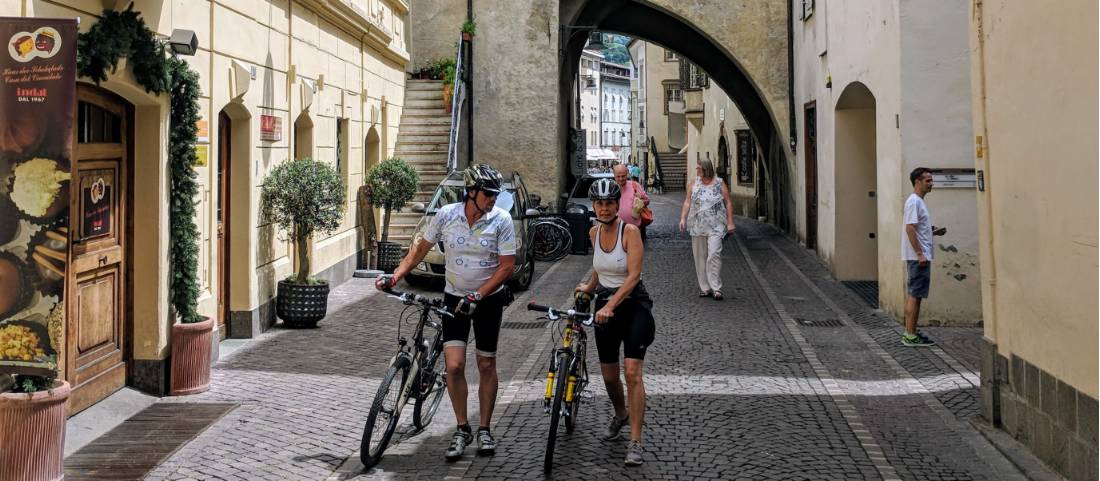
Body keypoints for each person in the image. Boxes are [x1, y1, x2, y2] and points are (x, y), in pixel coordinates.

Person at [375, 164, 516, 460]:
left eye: (495, 193)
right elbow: (419, 250)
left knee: (486, 364)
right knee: (454, 366)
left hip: (487, 300)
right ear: (471, 192)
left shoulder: (501, 219)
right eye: (488, 193)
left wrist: (480, 293)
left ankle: (485, 429)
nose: (493, 198)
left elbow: (506, 267)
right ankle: (462, 427)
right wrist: (394, 276)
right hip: (454, 298)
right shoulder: (446, 215)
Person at [575, 178, 655, 467]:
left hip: (633, 305)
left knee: (632, 372)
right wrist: (589, 286)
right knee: (609, 377)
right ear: (594, 206)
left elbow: (632, 276)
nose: (605, 208)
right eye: (600, 203)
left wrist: (610, 304)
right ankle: (621, 414)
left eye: (610, 203)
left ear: (616, 205)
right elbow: (601, 269)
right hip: (605, 307)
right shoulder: (594, 233)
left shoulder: (630, 231)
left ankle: (635, 441)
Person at [901, 167, 947, 347]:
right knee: (915, 294)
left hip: (919, 255)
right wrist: (920, 253)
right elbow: (910, 228)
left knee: (916, 294)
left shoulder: (918, 202)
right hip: (918, 256)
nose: (931, 184)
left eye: (931, 180)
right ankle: (909, 335)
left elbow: (917, 228)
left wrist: (933, 231)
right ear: (917, 182)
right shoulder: (914, 202)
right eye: (927, 180)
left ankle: (911, 332)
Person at [678, 159, 735, 300]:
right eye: (697, 169)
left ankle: (716, 288)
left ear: (706, 169)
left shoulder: (719, 183)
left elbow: (727, 202)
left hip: (716, 225)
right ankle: (705, 287)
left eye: (699, 169)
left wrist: (730, 222)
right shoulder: (693, 183)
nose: (697, 171)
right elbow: (687, 201)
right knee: (699, 257)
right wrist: (683, 218)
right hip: (698, 225)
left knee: (714, 254)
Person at [612, 163, 650, 242]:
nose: (621, 179)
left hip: (635, 228)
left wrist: (641, 200)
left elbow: (647, 200)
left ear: (627, 174)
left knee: (635, 251)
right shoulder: (611, 188)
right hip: (617, 229)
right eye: (618, 176)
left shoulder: (634, 185)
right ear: (614, 176)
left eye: (623, 176)